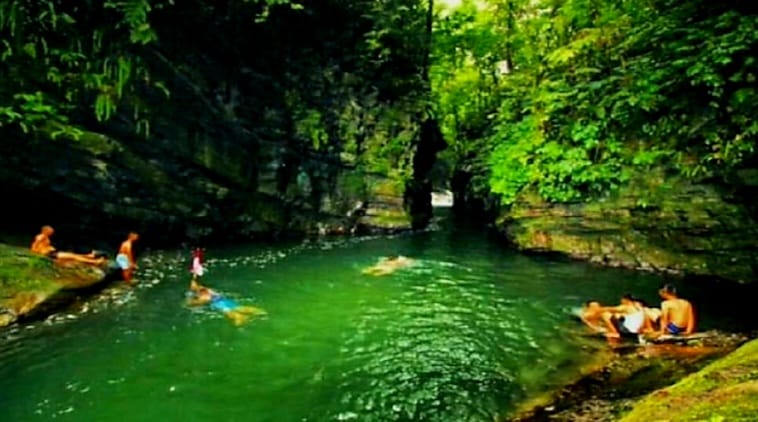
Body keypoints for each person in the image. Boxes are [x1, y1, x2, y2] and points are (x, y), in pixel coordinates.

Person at [186, 280, 266, 326]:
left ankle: (240, 317)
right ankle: (256, 311)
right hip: (224, 300)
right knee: (237, 307)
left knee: (227, 311)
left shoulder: (203, 296)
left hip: (218, 303)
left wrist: (190, 300)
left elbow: (193, 303)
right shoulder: (209, 290)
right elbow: (199, 288)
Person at [30, 225, 106, 266]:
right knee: (74, 257)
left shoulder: (45, 237)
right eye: (50, 230)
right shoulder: (41, 236)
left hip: (53, 253)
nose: (52, 231)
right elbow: (33, 247)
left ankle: (90, 257)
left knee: (73, 256)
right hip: (50, 254)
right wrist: (38, 255)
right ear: (46, 230)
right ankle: (95, 262)